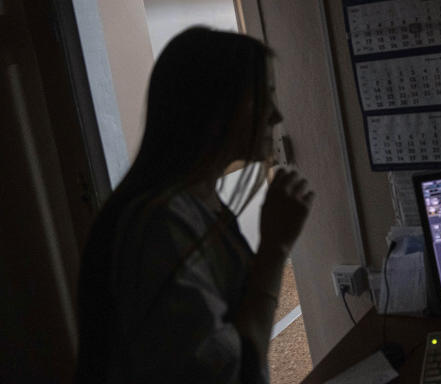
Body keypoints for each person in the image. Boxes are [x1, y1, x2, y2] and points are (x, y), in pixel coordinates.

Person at [75, 27, 314, 383]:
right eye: (264, 97)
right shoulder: (162, 227)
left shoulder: (198, 201)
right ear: (213, 107)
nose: (276, 115)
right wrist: (275, 249)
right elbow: (234, 374)